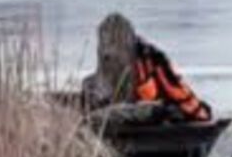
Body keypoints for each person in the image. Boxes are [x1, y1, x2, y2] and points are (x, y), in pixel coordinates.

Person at [82, 14, 214, 125]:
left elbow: (176, 91)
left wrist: (194, 111)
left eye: (113, 43)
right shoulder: (97, 79)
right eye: (106, 44)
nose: (109, 52)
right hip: (125, 110)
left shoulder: (151, 59)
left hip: (151, 112)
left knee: (143, 110)